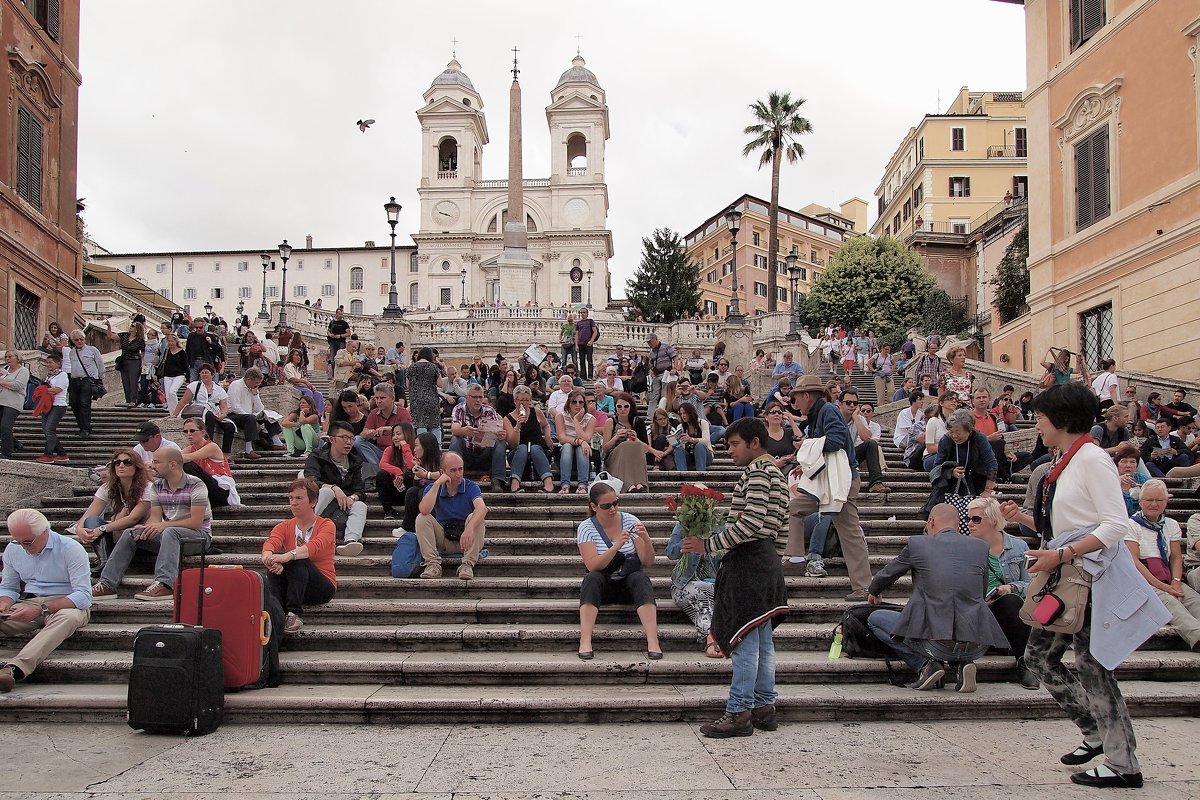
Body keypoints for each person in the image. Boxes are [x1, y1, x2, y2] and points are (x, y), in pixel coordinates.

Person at [1015, 381, 1170, 789]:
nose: (1038, 425)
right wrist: (1035, 530)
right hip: (1068, 575)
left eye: (1042, 418)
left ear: (1062, 420)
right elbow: (1072, 523)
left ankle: (1123, 763)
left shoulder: (1092, 459)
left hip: (1089, 576)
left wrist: (1062, 555)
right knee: (1038, 657)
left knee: (1091, 664)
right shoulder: (1069, 459)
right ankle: (1096, 732)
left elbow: (1116, 523)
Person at [681, 417, 789, 738]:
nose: (729, 451)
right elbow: (781, 528)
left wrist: (709, 544)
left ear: (754, 442)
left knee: (743, 641)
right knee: (763, 642)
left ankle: (740, 711)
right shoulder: (777, 474)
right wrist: (772, 560)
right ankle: (764, 707)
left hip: (749, 561)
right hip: (767, 559)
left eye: (734, 444)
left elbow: (751, 522)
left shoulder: (756, 473)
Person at [867, 503, 1009, 692]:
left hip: (935, 642)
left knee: (875, 619)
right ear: (959, 526)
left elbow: (886, 575)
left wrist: (874, 591)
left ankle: (926, 665)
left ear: (932, 521)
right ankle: (961, 664)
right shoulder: (980, 547)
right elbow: (981, 593)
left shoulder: (918, 544)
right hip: (976, 642)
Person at [783, 376, 874, 601]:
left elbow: (835, 441)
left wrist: (807, 445)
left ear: (807, 396)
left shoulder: (828, 412)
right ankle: (795, 557)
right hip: (827, 482)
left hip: (840, 482)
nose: (795, 403)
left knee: (849, 530)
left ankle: (865, 587)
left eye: (797, 398)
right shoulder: (817, 415)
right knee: (796, 507)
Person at [91, 447, 213, 602]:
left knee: (171, 531)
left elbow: (196, 522)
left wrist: (164, 526)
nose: (153, 465)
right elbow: (155, 518)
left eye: (157, 462)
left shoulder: (196, 484)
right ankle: (107, 584)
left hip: (199, 537)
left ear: (172, 464)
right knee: (131, 533)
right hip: (170, 535)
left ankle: (165, 584)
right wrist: (145, 529)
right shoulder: (157, 486)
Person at [0, 509, 92, 694]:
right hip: (28, 603)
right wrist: (4, 604)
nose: (23, 547)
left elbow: (83, 596)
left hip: (65, 604)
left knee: (68, 618)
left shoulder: (70, 549)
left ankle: (14, 668)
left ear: (45, 531)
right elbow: (9, 586)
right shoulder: (14, 548)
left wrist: (42, 609)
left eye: (28, 542)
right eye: (18, 541)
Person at [575, 481, 660, 660]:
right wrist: (617, 547)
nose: (612, 509)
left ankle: (653, 641)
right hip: (603, 585)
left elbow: (648, 561)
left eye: (615, 503)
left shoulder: (630, 520)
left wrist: (646, 540)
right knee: (591, 579)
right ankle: (585, 639)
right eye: (606, 506)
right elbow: (592, 565)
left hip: (627, 583)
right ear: (594, 506)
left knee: (641, 578)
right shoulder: (586, 527)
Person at [964, 497, 1039, 689]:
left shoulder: (1018, 547)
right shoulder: (965, 548)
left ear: (994, 521)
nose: (970, 524)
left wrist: (1011, 587)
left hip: (1008, 609)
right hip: (977, 611)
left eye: (976, 519)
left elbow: (1032, 585)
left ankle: (1025, 662)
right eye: (968, 519)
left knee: (1010, 600)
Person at [1123, 480, 1200, 651]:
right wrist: (1162, 587)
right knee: (1170, 603)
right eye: (1149, 500)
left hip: (1166, 574)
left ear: (1166, 502)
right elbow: (1134, 561)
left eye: (1159, 500)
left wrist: (1176, 582)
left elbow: (1175, 558)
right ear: (1141, 501)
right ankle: (1197, 637)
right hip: (1144, 578)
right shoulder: (1131, 524)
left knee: (1194, 600)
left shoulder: (1171, 524)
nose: (1154, 504)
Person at [261, 478, 337, 634]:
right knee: (275, 568)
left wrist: (287, 556)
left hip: (321, 585)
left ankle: (293, 613)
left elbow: (314, 547)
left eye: (299, 498)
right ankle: (277, 614)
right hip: (294, 583)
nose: (293, 503)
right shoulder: (285, 525)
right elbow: (272, 541)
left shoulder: (326, 525)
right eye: (291, 498)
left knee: (297, 560)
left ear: (313, 501)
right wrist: (269, 558)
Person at [73, 448, 152, 577]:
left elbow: (133, 518)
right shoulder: (108, 487)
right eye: (117, 462)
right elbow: (91, 512)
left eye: (127, 462)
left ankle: (107, 564)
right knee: (92, 521)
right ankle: (104, 562)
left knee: (110, 527)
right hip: (117, 535)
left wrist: (103, 528)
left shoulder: (148, 488)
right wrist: (79, 529)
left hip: (139, 537)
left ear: (137, 466)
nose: (121, 465)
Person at [415, 451, 487, 580]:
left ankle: (467, 564)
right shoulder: (433, 487)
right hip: (444, 538)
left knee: (476, 516)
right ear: (442, 472)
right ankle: (432, 564)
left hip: (467, 539)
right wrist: (437, 484)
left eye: (460, 469)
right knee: (422, 518)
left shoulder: (471, 486)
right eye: (453, 470)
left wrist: (469, 528)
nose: (458, 474)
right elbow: (424, 510)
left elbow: (482, 508)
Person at [303, 421, 368, 557]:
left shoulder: (355, 461)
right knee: (326, 492)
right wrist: (334, 488)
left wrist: (352, 498)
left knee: (360, 505)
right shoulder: (317, 456)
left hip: (342, 505)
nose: (348, 442)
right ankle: (307, 530)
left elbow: (360, 490)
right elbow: (310, 479)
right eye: (344, 437)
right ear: (332, 439)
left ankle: (350, 541)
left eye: (351, 438)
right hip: (319, 502)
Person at [666, 520, 721, 656]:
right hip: (683, 584)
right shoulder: (684, 525)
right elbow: (670, 553)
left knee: (709, 588)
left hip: (713, 584)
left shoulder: (719, 527)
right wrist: (686, 542)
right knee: (703, 590)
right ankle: (711, 637)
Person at [928, 409, 998, 506]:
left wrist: (988, 490)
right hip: (951, 482)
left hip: (976, 477)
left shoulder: (979, 438)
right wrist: (951, 471)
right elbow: (937, 467)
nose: (954, 435)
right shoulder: (945, 440)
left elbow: (991, 464)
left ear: (969, 430)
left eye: (958, 432)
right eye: (951, 432)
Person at [448, 383, 506, 492]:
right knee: (456, 439)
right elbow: (454, 429)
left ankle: (497, 480)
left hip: (485, 454)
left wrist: (499, 434)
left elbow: (495, 432)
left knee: (500, 441)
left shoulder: (489, 410)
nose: (478, 400)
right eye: (475, 397)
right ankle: (455, 479)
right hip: (466, 455)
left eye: (481, 397)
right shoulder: (459, 409)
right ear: (467, 398)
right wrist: (464, 431)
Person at [172, 364, 235, 454]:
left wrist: (222, 415)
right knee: (209, 416)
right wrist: (174, 414)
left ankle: (226, 453)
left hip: (214, 412)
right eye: (202, 373)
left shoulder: (219, 389)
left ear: (212, 375)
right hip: (199, 411)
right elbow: (183, 401)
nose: (204, 375)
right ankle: (208, 444)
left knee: (230, 427)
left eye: (206, 372)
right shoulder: (194, 386)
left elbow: (224, 407)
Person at [503, 385, 555, 493]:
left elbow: (546, 425)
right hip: (518, 452)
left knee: (535, 448)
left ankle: (548, 482)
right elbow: (512, 444)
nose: (524, 403)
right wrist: (517, 427)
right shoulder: (507, 419)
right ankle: (515, 483)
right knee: (522, 448)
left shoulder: (536, 412)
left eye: (527, 400)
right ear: (515, 401)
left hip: (538, 449)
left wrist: (548, 437)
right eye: (521, 400)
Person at [225, 367, 286, 460]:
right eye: (256, 383)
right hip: (234, 415)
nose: (257, 385)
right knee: (250, 418)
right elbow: (235, 407)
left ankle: (276, 441)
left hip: (249, 416)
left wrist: (255, 395)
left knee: (268, 414)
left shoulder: (252, 388)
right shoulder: (236, 385)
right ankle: (248, 450)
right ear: (248, 379)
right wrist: (252, 419)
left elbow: (260, 408)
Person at [179, 419, 240, 509]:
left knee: (188, 466)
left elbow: (186, 458)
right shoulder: (188, 449)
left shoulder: (212, 446)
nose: (188, 434)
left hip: (222, 490)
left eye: (192, 431)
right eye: (185, 431)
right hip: (206, 490)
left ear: (203, 432)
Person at [600, 392, 650, 493]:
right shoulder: (610, 422)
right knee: (626, 445)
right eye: (619, 406)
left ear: (631, 407)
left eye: (626, 406)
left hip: (633, 458)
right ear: (615, 407)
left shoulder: (638, 422)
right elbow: (605, 449)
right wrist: (616, 437)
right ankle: (628, 484)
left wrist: (636, 439)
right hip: (614, 459)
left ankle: (640, 483)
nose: (623, 409)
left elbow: (645, 449)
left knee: (635, 444)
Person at [841, 389, 888, 494]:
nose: (852, 405)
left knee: (871, 444)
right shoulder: (835, 417)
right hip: (836, 454)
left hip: (851, 454)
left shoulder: (859, 419)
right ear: (840, 404)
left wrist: (855, 417)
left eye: (855, 403)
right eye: (848, 402)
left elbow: (866, 437)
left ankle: (875, 483)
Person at [356, 382, 411, 465]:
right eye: (376, 398)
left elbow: (409, 433)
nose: (378, 401)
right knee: (357, 440)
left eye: (382, 398)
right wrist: (369, 433)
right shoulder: (374, 413)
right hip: (380, 451)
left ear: (392, 398)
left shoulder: (403, 412)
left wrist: (388, 429)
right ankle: (377, 467)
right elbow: (362, 434)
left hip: (398, 451)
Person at [555, 390, 596, 494]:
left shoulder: (591, 419)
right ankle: (565, 485)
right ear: (569, 403)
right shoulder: (560, 416)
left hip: (583, 450)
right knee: (568, 446)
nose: (577, 405)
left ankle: (583, 484)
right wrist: (580, 442)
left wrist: (576, 420)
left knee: (580, 449)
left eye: (581, 402)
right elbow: (562, 438)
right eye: (574, 402)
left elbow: (586, 438)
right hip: (565, 450)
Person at [65, 329, 103, 439]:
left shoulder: (92, 350)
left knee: (84, 403)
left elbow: (100, 365)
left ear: (84, 339)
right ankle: (83, 426)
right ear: (73, 341)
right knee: (74, 404)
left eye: (81, 339)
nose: (79, 341)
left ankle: (85, 428)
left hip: (88, 379)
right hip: (75, 380)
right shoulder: (72, 352)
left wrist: (99, 378)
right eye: (76, 340)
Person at [36, 352, 70, 463]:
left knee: (49, 429)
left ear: (57, 363)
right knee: (46, 430)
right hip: (48, 405)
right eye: (47, 363)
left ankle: (48, 454)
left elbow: (58, 389)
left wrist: (44, 391)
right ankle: (61, 453)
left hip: (58, 405)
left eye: (51, 362)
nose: (49, 365)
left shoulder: (62, 375)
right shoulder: (47, 377)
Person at [407, 347, 444, 444]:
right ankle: (437, 449)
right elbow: (440, 384)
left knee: (420, 425)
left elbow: (407, 385)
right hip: (432, 400)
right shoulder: (433, 367)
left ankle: (422, 449)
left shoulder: (411, 367)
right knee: (435, 425)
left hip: (416, 401)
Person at [0, 350, 29, 459]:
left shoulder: (23, 371)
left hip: (12, 403)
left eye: (10, 356)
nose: (7, 359)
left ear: (17, 358)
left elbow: (17, 385)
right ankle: (16, 443)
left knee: (5, 426)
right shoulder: (5, 370)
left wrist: (2, 382)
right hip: (1, 401)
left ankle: (6, 453)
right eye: (6, 357)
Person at [893, 390, 927, 471]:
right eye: (919, 399)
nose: (922, 402)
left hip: (915, 437)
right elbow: (910, 430)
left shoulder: (921, 414)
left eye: (922, 399)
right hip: (902, 438)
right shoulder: (904, 413)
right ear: (913, 400)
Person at [114, 320, 146, 405]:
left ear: (137, 329)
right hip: (124, 360)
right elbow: (111, 336)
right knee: (125, 381)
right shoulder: (124, 335)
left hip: (134, 361)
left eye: (132, 326)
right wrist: (109, 327)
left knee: (133, 381)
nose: (130, 327)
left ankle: (133, 400)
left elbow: (143, 353)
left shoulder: (140, 340)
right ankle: (128, 400)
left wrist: (142, 363)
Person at [673, 402, 713, 472]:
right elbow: (678, 446)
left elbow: (706, 441)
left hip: (705, 456)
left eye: (685, 413)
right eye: (681, 414)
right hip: (689, 456)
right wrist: (673, 441)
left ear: (690, 413)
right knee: (678, 450)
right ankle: (682, 476)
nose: (683, 416)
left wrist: (691, 439)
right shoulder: (680, 427)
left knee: (699, 445)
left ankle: (700, 474)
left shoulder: (702, 423)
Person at [645, 333, 677, 410]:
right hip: (657, 374)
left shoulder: (666, 347)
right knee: (654, 396)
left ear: (655, 339)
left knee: (664, 395)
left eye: (650, 341)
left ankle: (663, 412)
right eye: (648, 342)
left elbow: (675, 358)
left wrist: (675, 369)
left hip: (666, 373)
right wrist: (651, 369)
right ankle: (650, 416)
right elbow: (651, 364)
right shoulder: (652, 352)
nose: (649, 344)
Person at [326, 306, 351, 378]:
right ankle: (333, 374)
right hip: (333, 342)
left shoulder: (344, 323)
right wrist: (330, 334)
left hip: (341, 342)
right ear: (336, 314)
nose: (341, 316)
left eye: (342, 314)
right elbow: (328, 330)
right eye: (340, 314)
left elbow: (348, 333)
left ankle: (339, 373)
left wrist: (340, 336)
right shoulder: (332, 322)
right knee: (332, 358)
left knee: (341, 358)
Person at [575, 307, 599, 380]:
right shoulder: (578, 323)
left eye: (584, 312)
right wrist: (576, 345)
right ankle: (583, 376)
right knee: (582, 361)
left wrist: (591, 341)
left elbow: (595, 332)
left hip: (588, 344)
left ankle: (590, 376)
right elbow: (576, 334)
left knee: (589, 360)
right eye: (581, 312)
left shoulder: (590, 321)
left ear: (587, 313)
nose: (582, 314)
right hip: (581, 344)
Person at [868, 343, 895, 407]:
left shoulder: (890, 356)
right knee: (881, 393)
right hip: (879, 375)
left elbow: (894, 363)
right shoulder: (877, 355)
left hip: (888, 375)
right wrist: (873, 370)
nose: (887, 351)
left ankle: (889, 404)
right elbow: (868, 363)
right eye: (886, 349)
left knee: (891, 390)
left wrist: (892, 370)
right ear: (882, 349)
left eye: (888, 349)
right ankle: (881, 406)